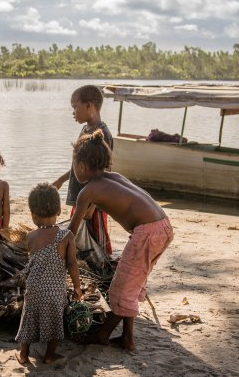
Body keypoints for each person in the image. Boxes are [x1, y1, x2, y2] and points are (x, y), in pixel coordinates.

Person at [68, 130, 174, 353]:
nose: (73, 169)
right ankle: (127, 338)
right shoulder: (114, 178)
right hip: (163, 226)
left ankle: (102, 334)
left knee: (120, 288)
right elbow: (89, 214)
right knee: (132, 284)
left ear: (83, 166)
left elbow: (71, 231)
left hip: (146, 233)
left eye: (74, 164)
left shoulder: (87, 190)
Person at [15, 183, 82, 365]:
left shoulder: (30, 237)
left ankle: (23, 354)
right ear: (59, 210)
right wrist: (77, 287)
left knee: (28, 321)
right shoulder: (67, 236)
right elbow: (72, 264)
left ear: (33, 215)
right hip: (55, 292)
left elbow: (34, 262)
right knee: (54, 323)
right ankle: (50, 355)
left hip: (34, 290)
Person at [53, 85, 113, 254]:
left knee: (97, 235)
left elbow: (104, 171)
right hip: (81, 195)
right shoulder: (85, 129)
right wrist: (61, 180)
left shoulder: (103, 134)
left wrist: (93, 205)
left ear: (90, 105)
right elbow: (79, 163)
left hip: (94, 199)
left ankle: (104, 265)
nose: (73, 112)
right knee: (79, 233)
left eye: (75, 106)